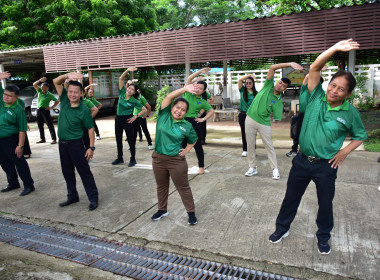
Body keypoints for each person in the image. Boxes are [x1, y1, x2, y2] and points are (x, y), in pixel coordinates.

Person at [269, 39, 367, 255]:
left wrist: (344, 152)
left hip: (326, 166)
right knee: (291, 198)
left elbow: (360, 136)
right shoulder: (316, 97)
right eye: (333, 85)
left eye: (341, 89)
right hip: (302, 161)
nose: (334, 91)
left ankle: (323, 237)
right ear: (328, 85)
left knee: (325, 204)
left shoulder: (350, 113)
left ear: (348, 94)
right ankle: (281, 228)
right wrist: (334, 49)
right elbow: (315, 68)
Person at [244, 62, 303, 179]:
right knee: (250, 145)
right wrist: (289, 64)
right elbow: (272, 68)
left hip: (264, 123)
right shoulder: (268, 85)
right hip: (249, 119)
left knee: (269, 146)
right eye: (280, 82)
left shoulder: (278, 101)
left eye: (283, 86)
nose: (280, 85)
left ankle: (275, 169)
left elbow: (277, 118)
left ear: (285, 89)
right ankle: (252, 168)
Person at [151, 83, 199, 225]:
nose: (179, 111)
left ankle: (191, 213)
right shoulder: (164, 115)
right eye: (177, 107)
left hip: (176, 162)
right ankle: (162, 209)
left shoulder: (187, 125)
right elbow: (168, 97)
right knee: (161, 186)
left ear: (186, 113)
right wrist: (184, 89)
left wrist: (187, 150)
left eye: (183, 110)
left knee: (183, 188)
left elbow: (193, 140)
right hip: (158, 159)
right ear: (172, 107)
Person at [53, 72, 99, 211]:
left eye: (75, 92)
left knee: (84, 172)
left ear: (81, 94)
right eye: (70, 91)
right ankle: (72, 195)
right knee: (67, 172)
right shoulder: (65, 100)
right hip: (62, 144)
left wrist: (91, 147)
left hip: (76, 145)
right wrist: (67, 75)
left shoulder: (84, 109)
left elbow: (90, 129)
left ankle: (93, 198)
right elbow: (56, 82)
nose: (72, 94)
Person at [0, 71, 35, 196]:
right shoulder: (1, 101)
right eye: (5, 94)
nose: (5, 97)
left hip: (12, 139)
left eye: (9, 96)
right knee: (4, 163)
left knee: (19, 162)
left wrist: (20, 146)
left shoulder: (18, 110)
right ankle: (13, 182)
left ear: (16, 97)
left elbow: (22, 130)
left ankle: (28, 185)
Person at [182, 68, 215, 175]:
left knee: (197, 145)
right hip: (182, 122)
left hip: (194, 123)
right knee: (180, 145)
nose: (197, 89)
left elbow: (211, 110)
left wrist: (202, 118)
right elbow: (190, 78)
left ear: (203, 91)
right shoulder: (187, 93)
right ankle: (180, 165)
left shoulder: (202, 101)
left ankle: (201, 166)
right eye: (197, 86)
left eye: (200, 88)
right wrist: (200, 71)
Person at [112, 68, 147, 166]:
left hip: (128, 119)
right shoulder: (122, 93)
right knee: (118, 139)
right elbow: (120, 79)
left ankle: (133, 159)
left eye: (132, 89)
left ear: (135, 92)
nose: (130, 90)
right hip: (118, 118)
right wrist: (127, 70)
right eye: (129, 88)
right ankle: (120, 158)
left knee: (131, 139)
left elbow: (144, 109)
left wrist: (135, 116)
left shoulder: (134, 101)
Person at [33, 77, 59, 144]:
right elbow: (34, 85)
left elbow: (57, 101)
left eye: (44, 87)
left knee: (49, 124)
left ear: (47, 88)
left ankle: (54, 139)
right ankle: (42, 139)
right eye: (42, 87)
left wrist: (51, 107)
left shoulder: (50, 94)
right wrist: (39, 80)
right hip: (39, 110)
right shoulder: (39, 91)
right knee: (40, 125)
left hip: (45, 110)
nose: (43, 89)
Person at [238, 74, 258, 157]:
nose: (248, 84)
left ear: (253, 84)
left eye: (250, 83)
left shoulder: (256, 93)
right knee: (244, 133)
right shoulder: (242, 90)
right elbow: (239, 80)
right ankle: (245, 150)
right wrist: (249, 75)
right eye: (246, 83)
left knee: (252, 133)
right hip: (243, 115)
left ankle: (252, 149)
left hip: (252, 116)